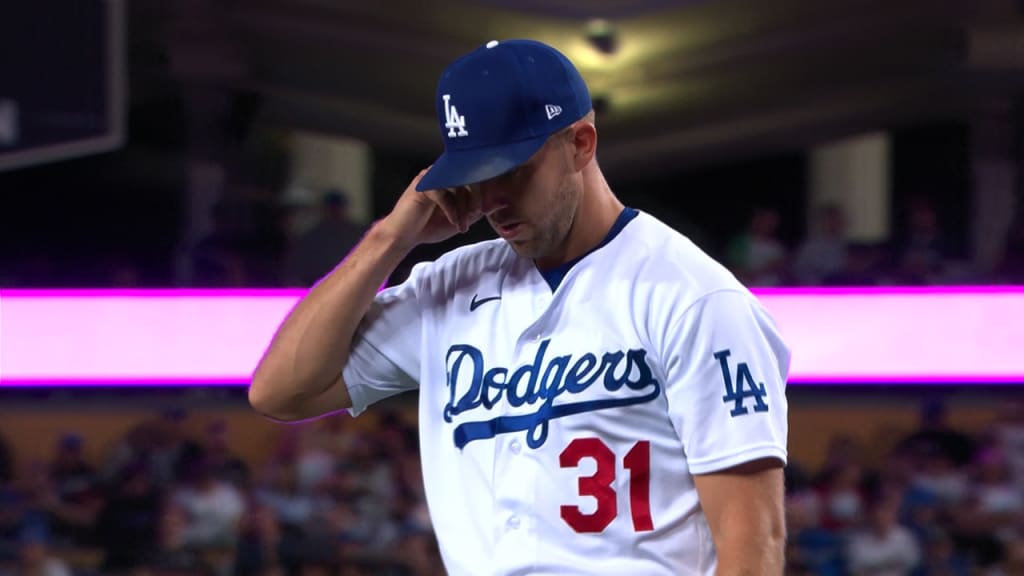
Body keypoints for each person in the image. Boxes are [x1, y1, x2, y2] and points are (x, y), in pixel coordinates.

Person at [250, 38, 790, 575]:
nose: (492, 201)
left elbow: (754, 546)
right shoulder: (451, 285)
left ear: (581, 143)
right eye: (476, 177)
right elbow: (279, 391)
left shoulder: (693, 297)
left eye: (511, 170)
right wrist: (389, 239)